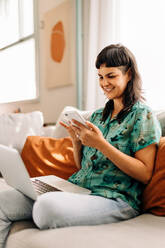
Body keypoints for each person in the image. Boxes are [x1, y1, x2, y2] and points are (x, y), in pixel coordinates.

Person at [0, 44, 161, 248]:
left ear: (128, 74)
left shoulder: (142, 116)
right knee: (2, 201)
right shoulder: (97, 116)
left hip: (116, 199)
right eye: (100, 77)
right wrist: (76, 143)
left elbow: (145, 173)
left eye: (111, 76)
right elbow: (82, 167)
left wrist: (102, 145)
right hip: (79, 190)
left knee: (45, 208)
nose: (104, 83)